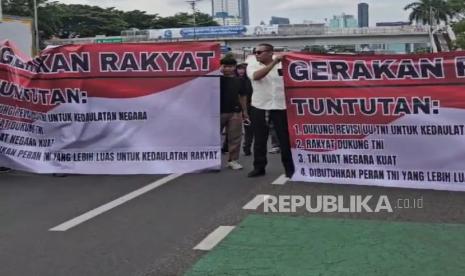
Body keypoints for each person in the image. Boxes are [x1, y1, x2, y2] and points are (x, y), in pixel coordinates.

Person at [246, 43, 295, 178]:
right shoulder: (252, 64)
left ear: (269, 52)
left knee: (284, 139)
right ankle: (259, 167)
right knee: (260, 139)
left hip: (280, 106)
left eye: (259, 52)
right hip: (260, 106)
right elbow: (256, 76)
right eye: (255, 52)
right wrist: (274, 62)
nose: (256, 54)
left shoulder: (283, 64)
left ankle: (290, 169)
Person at [219, 56, 249, 170]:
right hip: (218, 111)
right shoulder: (215, 78)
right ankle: (211, 159)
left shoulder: (240, 80)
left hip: (235, 111)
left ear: (234, 67)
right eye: (225, 66)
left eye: (230, 66)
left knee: (235, 137)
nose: (227, 69)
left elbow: (243, 97)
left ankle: (233, 160)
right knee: (213, 137)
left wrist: (245, 112)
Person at [235, 63, 254, 156]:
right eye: (239, 69)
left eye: (243, 69)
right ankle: (226, 146)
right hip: (235, 107)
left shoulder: (250, 81)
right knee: (233, 129)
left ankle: (247, 147)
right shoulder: (234, 79)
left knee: (249, 128)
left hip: (250, 106)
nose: (241, 71)